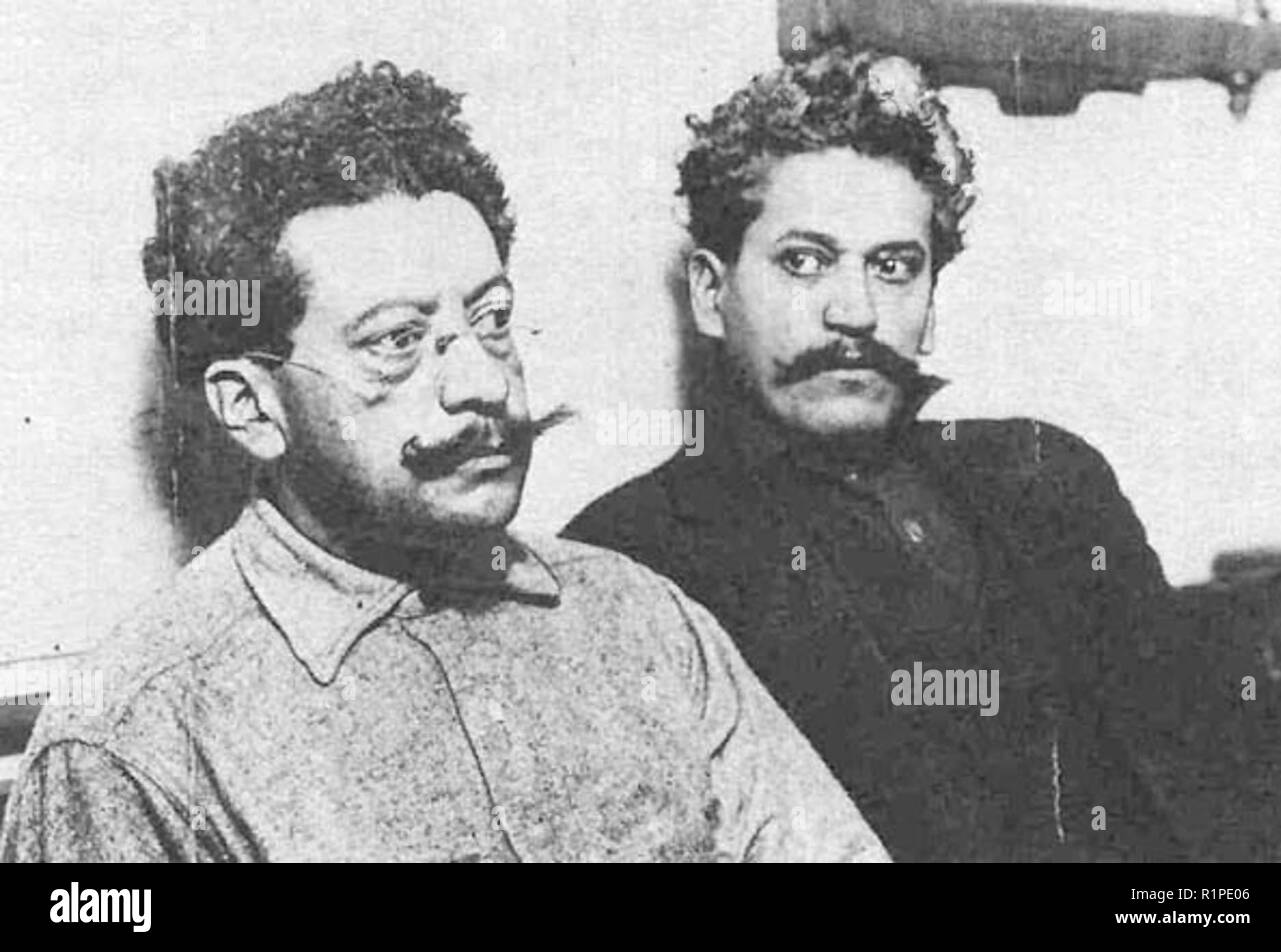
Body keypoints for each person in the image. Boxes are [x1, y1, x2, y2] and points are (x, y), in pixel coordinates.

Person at [0, 63, 886, 863]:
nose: (479, 383)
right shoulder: (137, 743)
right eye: (396, 341)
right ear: (253, 407)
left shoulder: (642, 621)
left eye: (492, 319)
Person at [565, 47, 1180, 862]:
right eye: (804, 261)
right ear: (712, 293)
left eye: (894, 267)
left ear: (929, 304)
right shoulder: (628, 561)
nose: (854, 310)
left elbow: (1207, 791)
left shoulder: (1049, 479)